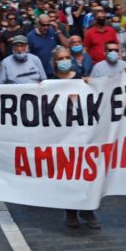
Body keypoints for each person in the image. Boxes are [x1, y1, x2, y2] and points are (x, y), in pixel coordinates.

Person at [46, 45, 101, 229]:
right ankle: (71, 213)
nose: (64, 61)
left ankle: (88, 210)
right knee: (68, 175)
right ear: (55, 62)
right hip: (62, 137)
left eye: (67, 57)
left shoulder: (82, 82)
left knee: (86, 175)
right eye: (60, 58)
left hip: (83, 136)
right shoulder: (49, 83)